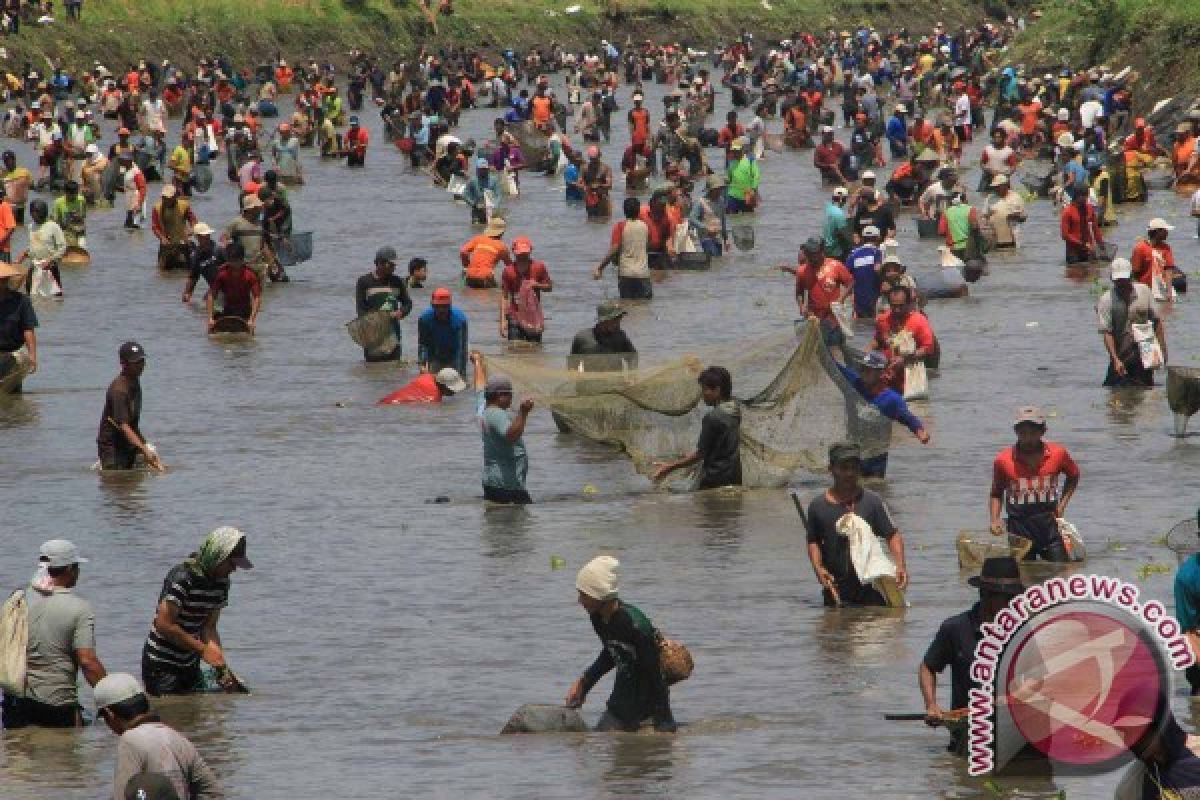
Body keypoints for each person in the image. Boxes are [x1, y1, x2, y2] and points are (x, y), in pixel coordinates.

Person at [919, 556, 1024, 754]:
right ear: (985, 594)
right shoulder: (955, 629)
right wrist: (932, 705)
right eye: (1008, 599)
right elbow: (927, 667)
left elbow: (1039, 680)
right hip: (970, 737)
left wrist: (1013, 697)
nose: (1013, 604)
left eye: (1016, 598)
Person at [1, 540, 107, 728]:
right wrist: (112, 696)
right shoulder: (79, 608)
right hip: (56, 705)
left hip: (15, 702)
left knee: (19, 752)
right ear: (69, 570)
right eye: (77, 567)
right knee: (63, 754)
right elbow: (87, 661)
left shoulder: (17, 599)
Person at [564, 556, 677, 733]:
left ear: (599, 595)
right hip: (620, 704)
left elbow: (655, 675)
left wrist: (665, 723)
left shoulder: (636, 626)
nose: (580, 601)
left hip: (647, 707)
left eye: (584, 595)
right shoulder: (598, 618)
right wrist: (584, 684)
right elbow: (611, 654)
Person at [141, 527, 254, 696]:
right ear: (218, 557)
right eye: (231, 563)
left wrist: (220, 666)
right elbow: (163, 625)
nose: (234, 569)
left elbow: (209, 627)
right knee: (170, 714)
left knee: (193, 716)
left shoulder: (222, 584)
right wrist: (202, 650)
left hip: (190, 662)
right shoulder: (181, 577)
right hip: (161, 664)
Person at [805, 442, 908, 605]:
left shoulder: (872, 502)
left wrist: (901, 566)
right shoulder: (818, 507)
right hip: (836, 592)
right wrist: (818, 568)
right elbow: (813, 541)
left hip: (872, 590)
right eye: (844, 468)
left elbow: (892, 535)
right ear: (830, 469)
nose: (850, 473)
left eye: (854, 467)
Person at [95, 672, 223, 800]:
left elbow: (121, 795)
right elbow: (212, 793)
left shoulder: (129, 740)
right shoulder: (177, 737)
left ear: (109, 714)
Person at [989, 405, 1081, 562]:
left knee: (1061, 572)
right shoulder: (1003, 460)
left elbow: (1073, 476)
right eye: (1023, 433)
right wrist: (995, 519)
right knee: (1025, 575)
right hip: (1019, 528)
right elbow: (996, 493)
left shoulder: (1058, 454)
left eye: (1033, 433)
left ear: (1043, 431)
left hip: (1050, 525)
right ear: (1016, 432)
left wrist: (1062, 505)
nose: (1028, 438)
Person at [838, 351, 930, 478]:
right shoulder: (854, 384)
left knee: (876, 487)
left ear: (880, 373)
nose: (863, 373)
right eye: (862, 369)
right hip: (852, 454)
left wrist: (920, 432)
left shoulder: (891, 399)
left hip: (876, 461)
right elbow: (834, 368)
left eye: (868, 370)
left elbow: (908, 418)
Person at [651, 365, 742, 489]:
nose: (702, 394)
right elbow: (719, 446)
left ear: (717, 390)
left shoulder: (712, 417)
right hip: (734, 477)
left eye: (705, 389)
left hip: (714, 479)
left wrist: (669, 467)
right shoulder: (735, 410)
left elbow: (701, 454)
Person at [470, 350, 533, 504]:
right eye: (509, 394)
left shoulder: (483, 408)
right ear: (500, 395)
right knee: (517, 523)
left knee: (498, 524)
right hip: (507, 486)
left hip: (493, 483)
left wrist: (477, 363)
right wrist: (523, 413)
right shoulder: (496, 414)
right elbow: (511, 435)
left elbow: (479, 386)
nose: (511, 398)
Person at [1097, 257, 1166, 388]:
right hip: (1121, 356)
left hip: (1144, 355)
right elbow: (1107, 333)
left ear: (1131, 276)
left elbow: (1157, 321)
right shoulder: (1106, 300)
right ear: (1112, 279)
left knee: (1146, 394)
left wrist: (1162, 349)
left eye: (1125, 279)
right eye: (1118, 281)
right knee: (1114, 395)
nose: (1122, 283)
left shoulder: (1144, 292)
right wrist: (1115, 359)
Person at [98, 341, 164, 471]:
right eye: (136, 363)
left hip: (128, 443)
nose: (140, 366)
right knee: (120, 486)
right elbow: (123, 425)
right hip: (113, 449)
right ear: (124, 364)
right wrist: (144, 450)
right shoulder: (119, 390)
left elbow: (132, 424)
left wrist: (146, 446)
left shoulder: (134, 381)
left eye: (142, 361)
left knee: (138, 484)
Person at [782, 237, 853, 354]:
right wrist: (801, 306)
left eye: (814, 253)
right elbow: (799, 293)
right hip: (813, 319)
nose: (812, 257)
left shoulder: (835, 266)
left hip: (833, 318)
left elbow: (850, 283)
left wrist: (841, 299)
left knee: (835, 351)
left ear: (822, 251)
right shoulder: (802, 271)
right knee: (815, 352)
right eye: (809, 253)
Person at [867, 285, 936, 394]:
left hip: (910, 380)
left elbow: (928, 348)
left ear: (909, 304)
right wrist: (867, 351)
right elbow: (877, 340)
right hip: (886, 378)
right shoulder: (883, 320)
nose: (897, 310)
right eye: (893, 306)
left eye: (901, 306)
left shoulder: (919, 321)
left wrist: (904, 359)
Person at [355, 246, 413, 361]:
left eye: (394, 265)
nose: (394, 267)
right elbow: (361, 309)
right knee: (373, 371)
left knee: (393, 371)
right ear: (379, 263)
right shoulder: (364, 282)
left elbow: (408, 303)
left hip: (393, 336)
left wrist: (401, 312)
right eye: (391, 264)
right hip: (372, 336)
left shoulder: (398, 282)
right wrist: (373, 320)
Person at [595, 196, 653, 299]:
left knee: (627, 307)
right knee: (645, 309)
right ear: (638, 210)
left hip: (626, 274)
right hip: (643, 274)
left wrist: (600, 268)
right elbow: (648, 246)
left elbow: (614, 249)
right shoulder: (646, 226)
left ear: (624, 210)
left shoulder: (620, 227)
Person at [499, 236, 552, 342]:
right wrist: (503, 321)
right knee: (514, 348)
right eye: (520, 253)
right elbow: (504, 297)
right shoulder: (508, 271)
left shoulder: (539, 267)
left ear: (530, 251)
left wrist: (537, 285)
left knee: (535, 349)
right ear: (514, 252)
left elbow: (549, 287)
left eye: (525, 253)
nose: (522, 256)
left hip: (533, 315)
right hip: (514, 315)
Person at [206, 242, 261, 334]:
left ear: (242, 259)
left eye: (237, 261)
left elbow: (257, 298)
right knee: (212, 332)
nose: (235, 264)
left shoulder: (250, 275)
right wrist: (210, 318)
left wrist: (252, 319)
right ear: (227, 259)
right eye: (231, 261)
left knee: (249, 336)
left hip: (245, 312)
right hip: (228, 310)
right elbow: (211, 295)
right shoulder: (221, 274)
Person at [568, 300, 637, 372]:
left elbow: (632, 357)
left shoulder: (620, 336)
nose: (619, 323)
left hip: (615, 381)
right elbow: (572, 365)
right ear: (604, 320)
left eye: (619, 319)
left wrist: (631, 376)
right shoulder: (582, 338)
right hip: (591, 381)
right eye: (615, 320)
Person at [0, 260, 37, 389]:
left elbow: (28, 329)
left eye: (4, 280)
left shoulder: (22, 301)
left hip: (13, 355)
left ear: (7, 281)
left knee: (13, 397)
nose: (2, 282)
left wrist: (32, 356)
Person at [417, 287, 469, 377]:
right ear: (432, 305)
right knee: (433, 382)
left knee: (454, 382)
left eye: (444, 306)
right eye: (438, 307)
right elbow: (423, 343)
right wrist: (422, 364)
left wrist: (461, 373)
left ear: (450, 306)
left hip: (454, 354)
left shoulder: (459, 320)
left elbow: (461, 349)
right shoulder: (425, 319)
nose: (441, 310)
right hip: (434, 353)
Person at [151, 184, 196, 271]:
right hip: (167, 245)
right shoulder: (157, 208)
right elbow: (155, 227)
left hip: (182, 243)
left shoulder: (184, 205)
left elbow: (193, 220)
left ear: (174, 196)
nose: (166, 199)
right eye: (164, 197)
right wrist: (162, 237)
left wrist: (192, 229)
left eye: (168, 197)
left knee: (185, 271)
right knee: (163, 273)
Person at [27, 198, 67, 297]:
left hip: (50, 266)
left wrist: (51, 260)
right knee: (33, 297)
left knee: (55, 298)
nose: (33, 215)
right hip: (35, 266)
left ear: (43, 212)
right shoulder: (31, 227)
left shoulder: (53, 226)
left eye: (36, 212)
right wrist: (25, 254)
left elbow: (62, 247)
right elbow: (33, 246)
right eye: (32, 212)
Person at [1131, 218, 1180, 295]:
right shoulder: (1140, 248)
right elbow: (1135, 272)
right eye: (1165, 231)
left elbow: (1168, 270)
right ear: (1157, 232)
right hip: (1145, 290)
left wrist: (1169, 291)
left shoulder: (1166, 248)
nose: (1167, 233)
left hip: (1162, 290)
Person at [460, 217, 512, 289]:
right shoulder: (502, 246)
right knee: (491, 295)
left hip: (470, 274)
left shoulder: (478, 239)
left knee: (472, 294)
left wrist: (466, 266)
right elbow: (510, 266)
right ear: (502, 232)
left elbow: (463, 251)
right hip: (485, 277)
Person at [845, 226, 883, 318]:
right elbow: (877, 269)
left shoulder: (853, 254)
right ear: (878, 238)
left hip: (858, 298)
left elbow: (846, 275)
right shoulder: (877, 252)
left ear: (862, 239)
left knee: (860, 323)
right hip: (873, 296)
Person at [181, 223, 223, 305]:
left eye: (208, 235)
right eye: (204, 236)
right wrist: (187, 294)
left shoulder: (219, 250)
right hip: (214, 287)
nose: (207, 237)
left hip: (227, 285)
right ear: (197, 237)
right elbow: (193, 277)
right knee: (202, 304)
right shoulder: (196, 256)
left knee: (208, 301)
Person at [377, 367, 467, 405]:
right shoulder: (434, 398)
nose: (454, 392)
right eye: (452, 390)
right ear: (445, 386)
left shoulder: (426, 377)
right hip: (391, 406)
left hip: (384, 401)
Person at [1060, 187, 1104, 264]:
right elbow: (1065, 235)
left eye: (1087, 196)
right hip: (1073, 251)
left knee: (1092, 272)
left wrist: (1100, 243)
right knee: (1074, 273)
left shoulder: (1089, 209)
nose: (1086, 199)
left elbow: (1095, 229)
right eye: (1084, 197)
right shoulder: (1067, 212)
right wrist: (1083, 244)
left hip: (1088, 250)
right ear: (1077, 196)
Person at [690, 173, 730, 256]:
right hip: (706, 238)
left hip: (718, 238)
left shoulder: (721, 201)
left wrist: (726, 239)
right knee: (712, 257)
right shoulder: (700, 202)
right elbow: (692, 219)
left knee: (718, 261)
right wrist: (706, 228)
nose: (719, 191)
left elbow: (723, 221)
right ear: (711, 189)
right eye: (717, 189)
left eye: (720, 188)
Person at [985, 175, 1026, 249]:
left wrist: (1015, 216)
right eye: (994, 187)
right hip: (995, 238)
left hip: (1012, 238)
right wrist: (989, 215)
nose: (995, 188)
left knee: (1012, 257)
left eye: (998, 186)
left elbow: (1023, 217)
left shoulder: (1016, 197)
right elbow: (984, 217)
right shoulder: (990, 198)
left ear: (1005, 185)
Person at [725, 138, 760, 213]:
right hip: (733, 196)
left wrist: (753, 190)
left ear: (742, 149)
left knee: (748, 219)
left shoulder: (750, 161)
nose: (735, 152)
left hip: (747, 196)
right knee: (732, 218)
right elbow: (728, 179)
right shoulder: (731, 162)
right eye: (734, 150)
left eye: (737, 150)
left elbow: (756, 176)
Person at [51, 179, 87, 248]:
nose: (74, 197)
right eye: (71, 195)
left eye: (76, 194)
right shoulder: (58, 202)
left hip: (79, 232)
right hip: (65, 232)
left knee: (82, 249)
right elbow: (55, 221)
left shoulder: (81, 200)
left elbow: (83, 215)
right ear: (65, 192)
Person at [822, 186, 852, 260]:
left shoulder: (828, 208)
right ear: (842, 199)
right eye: (845, 199)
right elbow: (844, 234)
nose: (845, 202)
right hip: (836, 252)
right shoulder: (839, 214)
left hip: (826, 248)